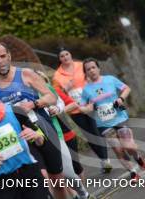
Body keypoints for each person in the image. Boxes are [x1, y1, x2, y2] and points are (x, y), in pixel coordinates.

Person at [0, 42, 67, 199]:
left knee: (57, 180)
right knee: (41, 178)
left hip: (43, 128)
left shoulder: (26, 74)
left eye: (3, 56)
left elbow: (52, 97)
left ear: (9, 56)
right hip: (21, 137)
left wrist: (34, 103)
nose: (0, 60)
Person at [80, 58, 145, 182]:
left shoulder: (110, 79)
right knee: (118, 150)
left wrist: (121, 99)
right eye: (88, 69)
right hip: (104, 124)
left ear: (98, 68)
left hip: (119, 118)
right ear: (85, 73)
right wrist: (88, 108)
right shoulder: (86, 90)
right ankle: (133, 173)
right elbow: (83, 108)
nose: (91, 71)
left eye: (93, 67)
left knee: (129, 147)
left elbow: (126, 88)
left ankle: (137, 157)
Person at [35, 70, 95, 199]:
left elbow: (62, 103)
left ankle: (83, 194)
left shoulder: (48, 89)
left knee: (69, 174)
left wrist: (57, 109)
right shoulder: (23, 96)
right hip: (35, 142)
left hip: (56, 135)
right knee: (49, 180)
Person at [52, 48, 112, 174]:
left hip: (90, 103)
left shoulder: (81, 66)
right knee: (89, 135)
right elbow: (57, 94)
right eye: (62, 56)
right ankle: (103, 159)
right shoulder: (57, 75)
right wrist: (66, 88)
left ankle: (106, 160)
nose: (65, 57)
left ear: (71, 54)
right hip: (75, 109)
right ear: (59, 59)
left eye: (67, 54)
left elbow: (91, 77)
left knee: (96, 131)